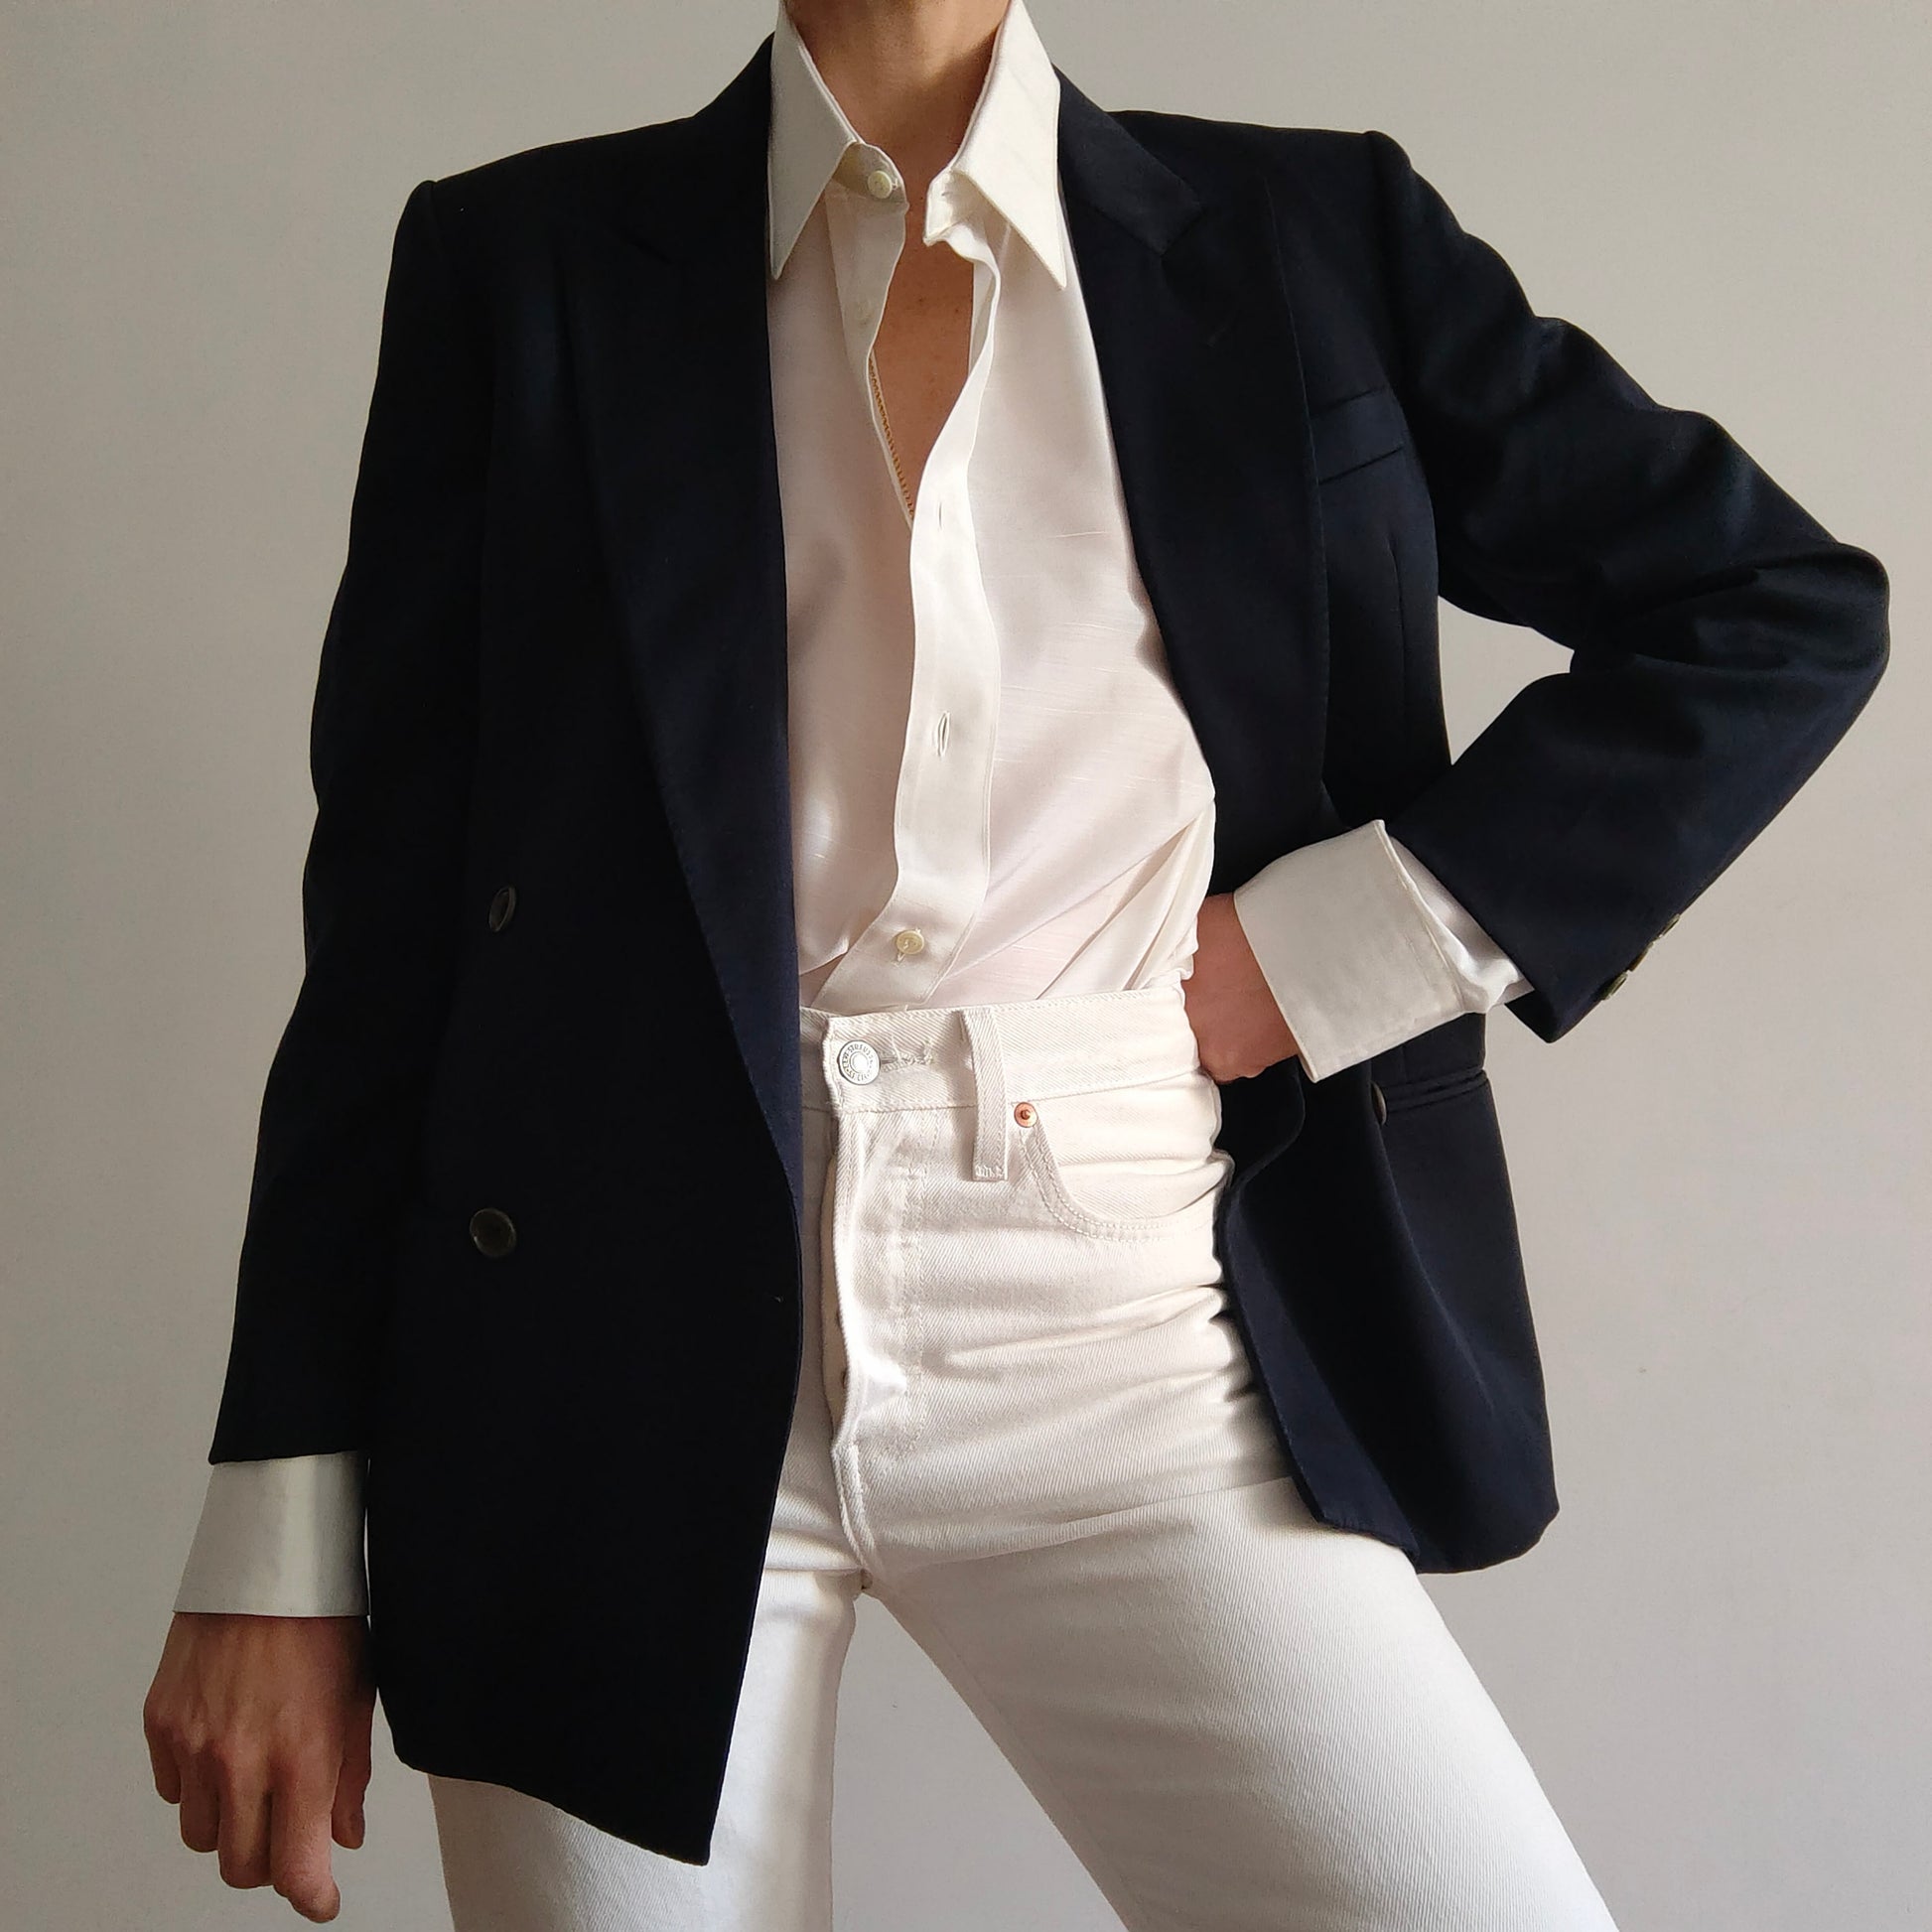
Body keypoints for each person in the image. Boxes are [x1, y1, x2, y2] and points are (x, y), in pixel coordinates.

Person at [141, 0, 1890, 1925]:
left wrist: (1342, 948)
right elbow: (390, 923)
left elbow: (1767, 610)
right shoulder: (526, 262)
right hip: (599, 1323)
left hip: (1124, 1309)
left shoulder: (1313, 233)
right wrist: (276, 1536)